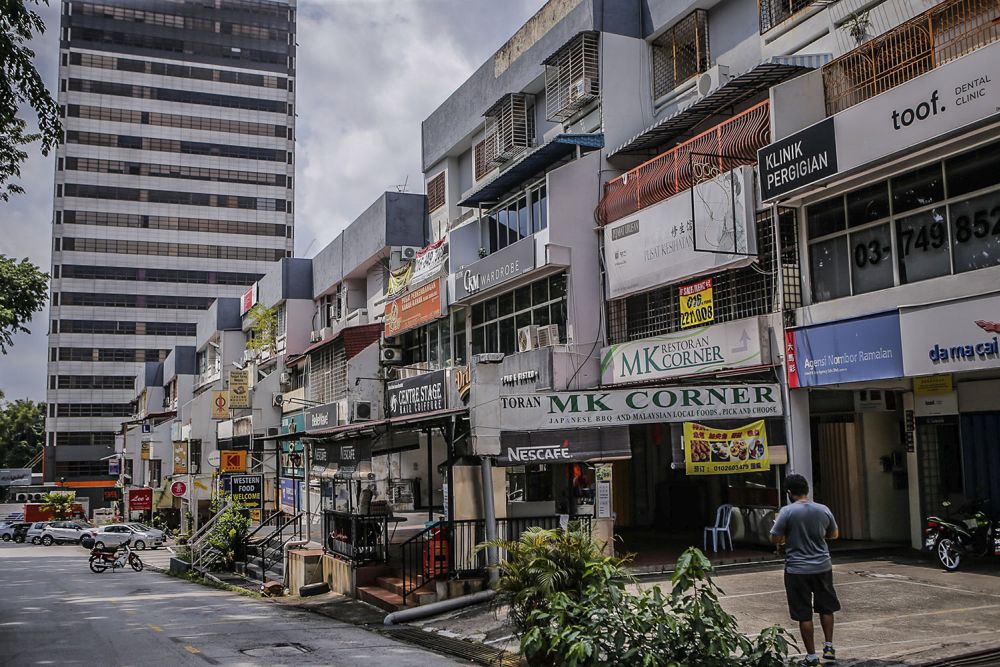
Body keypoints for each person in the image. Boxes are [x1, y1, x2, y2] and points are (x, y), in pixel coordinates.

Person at [770, 474, 840, 666]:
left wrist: (787, 537)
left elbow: (775, 539)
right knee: (826, 607)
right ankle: (829, 645)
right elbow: (834, 534)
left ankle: (812, 657)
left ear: (789, 493)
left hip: (797, 569)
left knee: (804, 613)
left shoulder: (787, 512)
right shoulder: (823, 509)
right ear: (807, 490)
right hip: (823, 566)